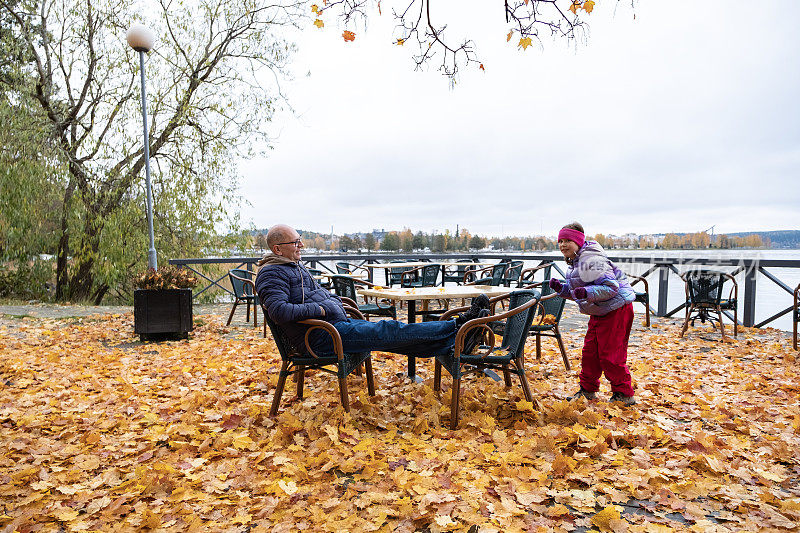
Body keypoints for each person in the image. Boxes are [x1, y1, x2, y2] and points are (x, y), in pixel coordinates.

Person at [255, 224, 490, 359]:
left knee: (396, 339)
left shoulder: (291, 266)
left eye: (300, 240)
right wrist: (321, 308)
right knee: (389, 328)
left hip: (332, 328)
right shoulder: (271, 274)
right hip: (319, 338)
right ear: (278, 249)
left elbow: (315, 295)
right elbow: (279, 311)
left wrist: (333, 301)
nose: (301, 245)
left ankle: (456, 344)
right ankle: (461, 327)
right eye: (296, 242)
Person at [549, 222, 637, 405]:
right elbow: (582, 291)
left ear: (579, 242)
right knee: (590, 352)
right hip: (600, 309)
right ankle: (588, 390)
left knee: (610, 353)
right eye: (560, 241)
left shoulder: (591, 261)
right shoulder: (575, 261)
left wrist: (587, 293)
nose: (563, 245)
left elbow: (610, 287)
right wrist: (562, 289)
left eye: (568, 241)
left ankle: (624, 395)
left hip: (616, 308)